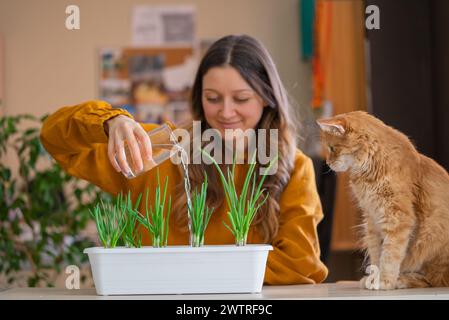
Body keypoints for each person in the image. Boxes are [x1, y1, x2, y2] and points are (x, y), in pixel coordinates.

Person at [40, 34, 328, 285]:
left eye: (241, 98)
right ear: (198, 98)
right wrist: (110, 121)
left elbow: (300, 265)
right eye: (213, 98)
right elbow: (54, 138)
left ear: (266, 98)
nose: (226, 112)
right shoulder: (160, 147)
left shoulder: (294, 167)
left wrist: (187, 269)